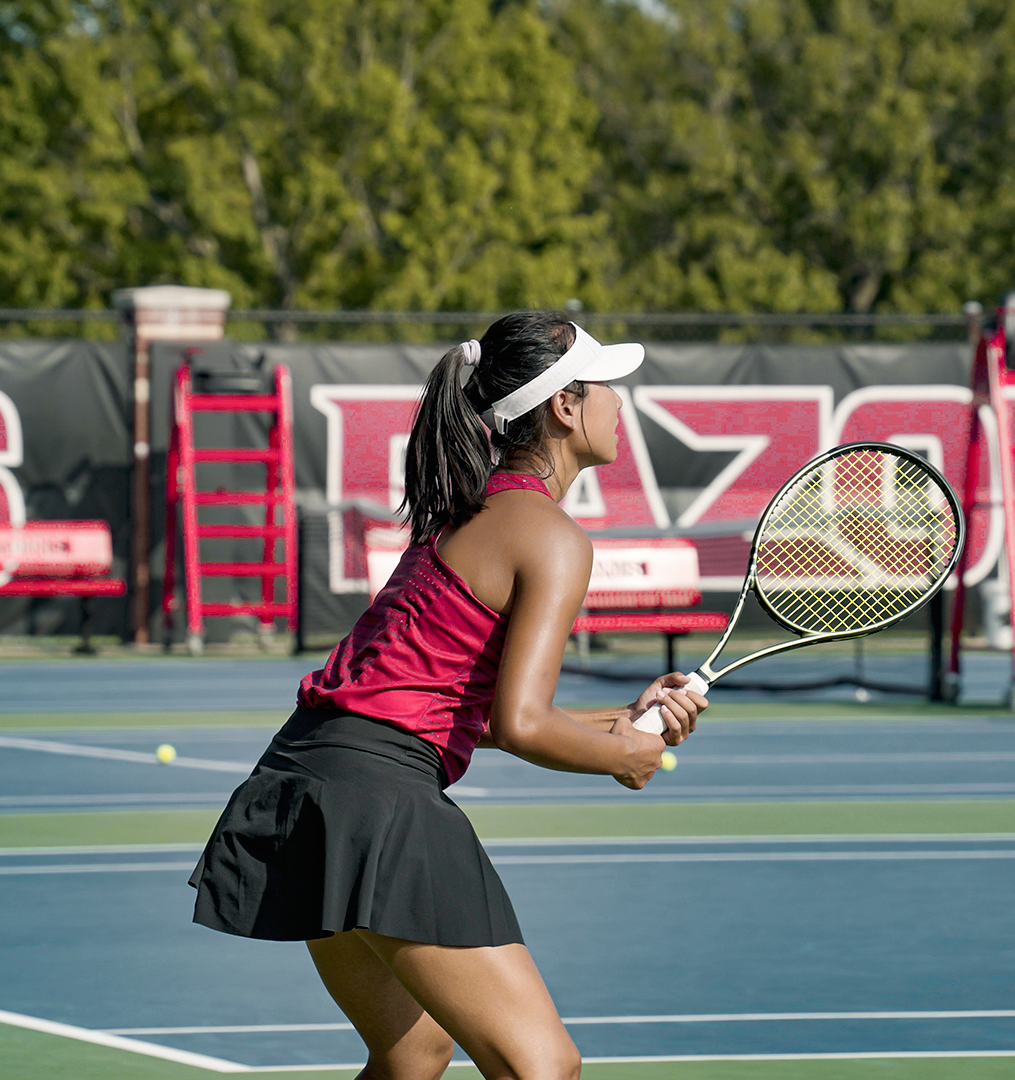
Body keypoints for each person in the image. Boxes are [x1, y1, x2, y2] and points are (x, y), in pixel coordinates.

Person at [189, 311, 708, 1080]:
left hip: (301, 780)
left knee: (414, 1052)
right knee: (542, 1067)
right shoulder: (552, 537)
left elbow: (453, 706)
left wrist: (616, 724)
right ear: (565, 407)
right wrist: (619, 757)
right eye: (606, 387)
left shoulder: (459, 518)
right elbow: (522, 724)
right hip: (378, 801)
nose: (619, 403)